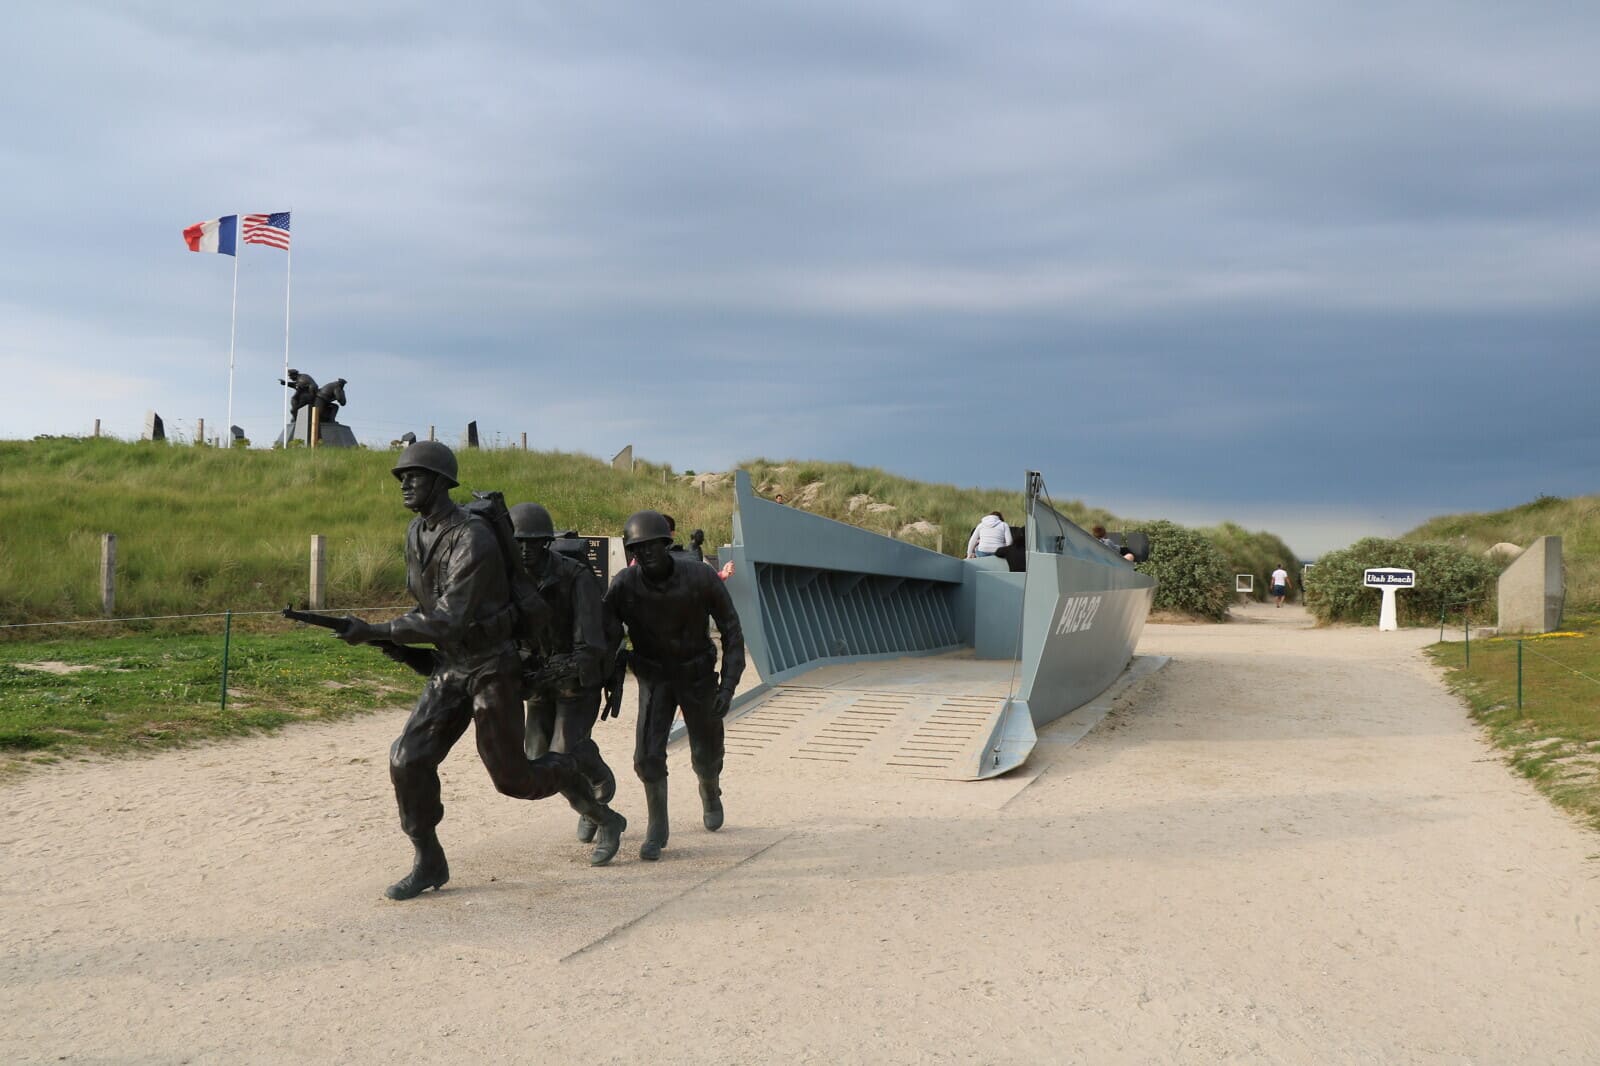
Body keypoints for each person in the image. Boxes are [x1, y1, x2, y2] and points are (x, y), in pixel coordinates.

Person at [336, 441, 627, 899]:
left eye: (414, 475)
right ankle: (429, 860)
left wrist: (376, 630)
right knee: (407, 759)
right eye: (401, 477)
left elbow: (449, 616)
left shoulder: (473, 536)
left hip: (493, 666)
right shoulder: (416, 533)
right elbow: (426, 603)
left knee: (513, 779)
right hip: (453, 665)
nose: (404, 483)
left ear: (440, 482)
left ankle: (590, 796)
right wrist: (393, 639)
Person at [603, 510, 745, 861]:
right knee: (647, 757)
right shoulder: (623, 585)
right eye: (639, 548)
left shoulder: (700, 577)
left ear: (666, 544)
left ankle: (710, 790)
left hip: (697, 676)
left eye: (653, 546)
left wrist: (727, 687)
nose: (646, 554)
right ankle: (657, 827)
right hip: (654, 677)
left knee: (707, 753)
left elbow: (732, 632)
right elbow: (603, 635)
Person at [510, 501, 618, 846]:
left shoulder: (575, 575)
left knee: (561, 754)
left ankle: (598, 803)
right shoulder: (510, 580)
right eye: (518, 542)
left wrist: (561, 667)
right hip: (538, 681)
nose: (525, 549)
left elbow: (591, 643)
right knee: (535, 755)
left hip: (577, 680)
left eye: (533, 541)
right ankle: (592, 783)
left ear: (546, 541)